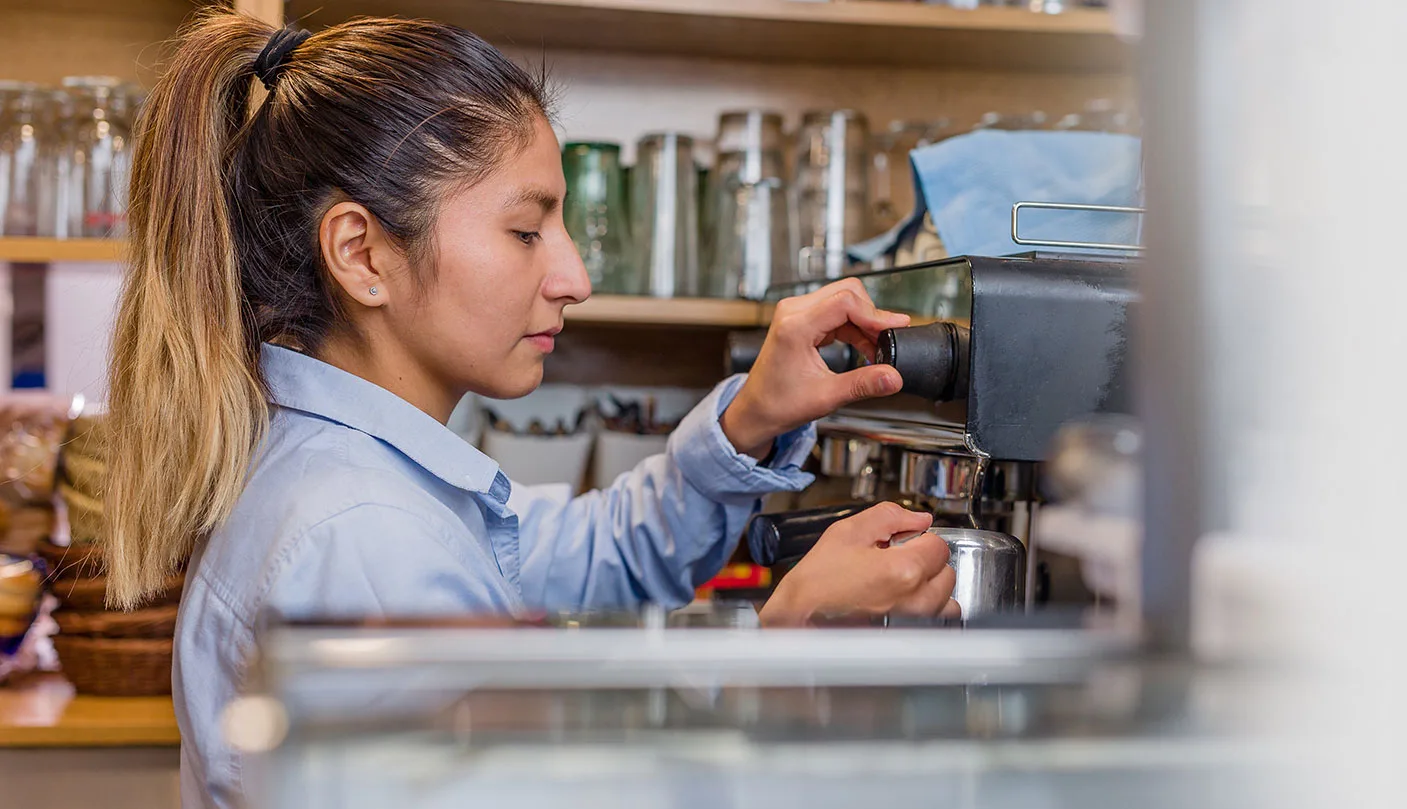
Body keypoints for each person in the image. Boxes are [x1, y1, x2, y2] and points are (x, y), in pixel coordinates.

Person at [103, 12, 959, 809]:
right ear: (362, 254)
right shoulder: (362, 535)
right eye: (525, 232)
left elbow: (585, 557)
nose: (574, 278)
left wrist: (749, 422)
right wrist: (783, 657)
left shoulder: (363, 478)